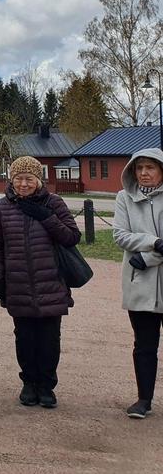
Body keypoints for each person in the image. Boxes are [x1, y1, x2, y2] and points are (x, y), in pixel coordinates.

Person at [0, 155, 81, 409]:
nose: (23, 184)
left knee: (49, 339)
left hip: (50, 281)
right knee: (25, 337)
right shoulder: (2, 207)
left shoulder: (54, 203)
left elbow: (72, 237)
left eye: (29, 179)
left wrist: (46, 216)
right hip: (17, 282)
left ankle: (47, 385)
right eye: (18, 179)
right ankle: (29, 383)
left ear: (39, 180)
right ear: (12, 180)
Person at [111, 148, 163, 419]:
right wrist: (154, 242)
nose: (144, 173)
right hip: (140, 283)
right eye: (139, 167)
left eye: (150, 167)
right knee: (144, 345)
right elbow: (121, 235)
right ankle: (144, 399)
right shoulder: (124, 198)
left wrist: (147, 258)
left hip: (145, 267)